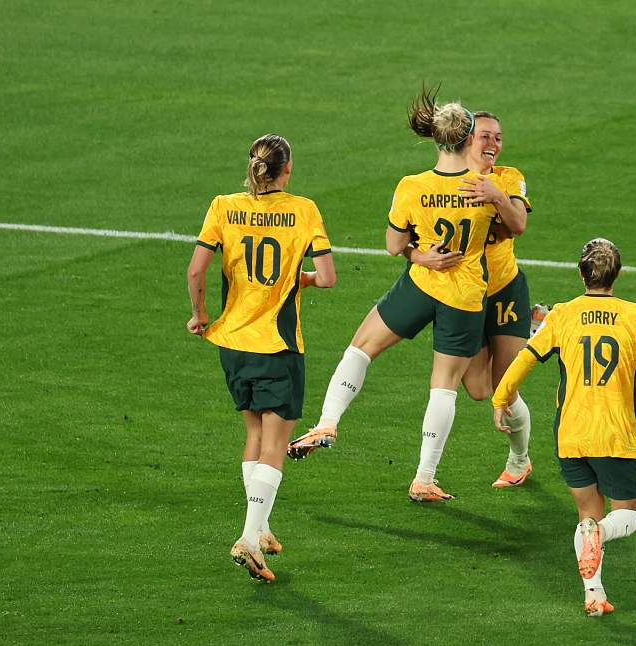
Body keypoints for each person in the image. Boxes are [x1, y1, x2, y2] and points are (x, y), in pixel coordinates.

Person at [288, 86, 521, 502]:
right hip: (464, 294)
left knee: (360, 349)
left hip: (420, 282)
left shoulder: (411, 186)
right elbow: (513, 228)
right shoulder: (484, 189)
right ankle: (423, 478)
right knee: (445, 386)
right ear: (468, 140)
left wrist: (420, 255)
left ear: (436, 138)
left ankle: (327, 420)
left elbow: (394, 245)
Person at [491, 238, 636, 616]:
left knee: (587, 514)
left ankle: (593, 595)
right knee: (633, 514)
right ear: (618, 275)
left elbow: (525, 358)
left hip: (570, 432)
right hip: (616, 434)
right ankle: (602, 535)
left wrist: (501, 399)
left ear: (581, 273)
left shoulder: (562, 315)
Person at [186, 134, 336, 582]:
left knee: (254, 432)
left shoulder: (222, 205)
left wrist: (199, 316)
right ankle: (249, 538)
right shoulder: (303, 209)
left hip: (231, 342)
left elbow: (196, 269)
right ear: (286, 170)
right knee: (276, 445)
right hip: (277, 345)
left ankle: (263, 527)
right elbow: (326, 278)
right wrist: (300, 280)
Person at [407, 111, 536, 488]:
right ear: (466, 140)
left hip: (505, 291)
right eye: (484, 136)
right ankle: (538, 328)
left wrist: (496, 195)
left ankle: (519, 459)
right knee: (480, 391)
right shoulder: (446, 184)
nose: (493, 144)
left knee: (506, 388)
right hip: (468, 298)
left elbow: (518, 226)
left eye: (498, 137)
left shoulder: (509, 178)